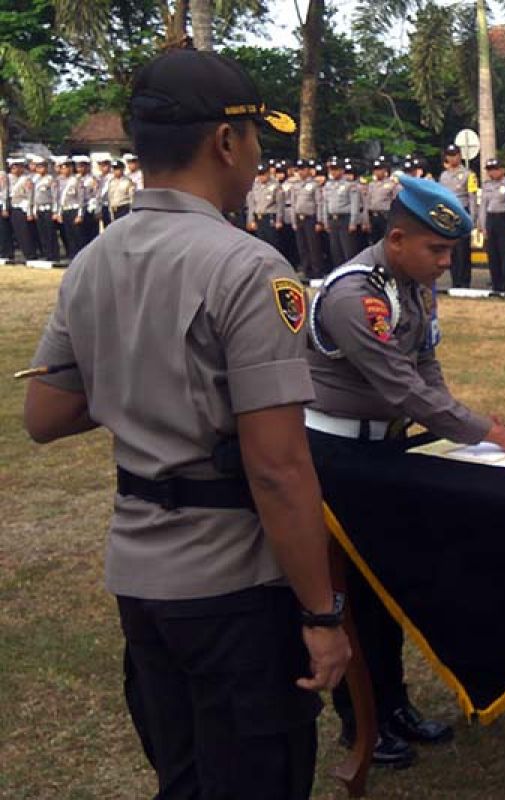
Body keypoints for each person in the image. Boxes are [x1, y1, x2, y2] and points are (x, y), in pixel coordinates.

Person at [23, 49, 350, 798]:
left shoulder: (94, 259)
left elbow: (46, 413)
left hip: (139, 571)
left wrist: (138, 383)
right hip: (231, 579)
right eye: (257, 139)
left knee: (185, 777)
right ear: (227, 142)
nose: (259, 157)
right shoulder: (249, 268)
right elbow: (277, 468)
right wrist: (322, 614)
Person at [306, 175, 505, 767]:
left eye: (450, 251)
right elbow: (402, 389)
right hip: (336, 459)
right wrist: (491, 432)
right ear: (396, 239)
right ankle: (361, 722)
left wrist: (469, 430)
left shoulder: (413, 287)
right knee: (352, 594)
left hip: (384, 455)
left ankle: (395, 706)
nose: (447, 262)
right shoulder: (355, 296)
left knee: (386, 588)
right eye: (437, 251)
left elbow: (429, 370)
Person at [478, 158, 505, 292]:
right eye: (489, 170)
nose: (492, 173)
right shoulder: (486, 185)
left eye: (495, 169)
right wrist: (483, 226)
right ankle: (496, 285)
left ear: (502, 170)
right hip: (491, 220)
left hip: (504, 219)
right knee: (492, 254)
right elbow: (483, 207)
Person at [439, 144, 474, 288]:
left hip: (462, 213)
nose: (452, 158)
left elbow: (472, 197)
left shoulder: (468, 174)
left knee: (463, 250)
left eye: (455, 155)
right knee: (451, 250)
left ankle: (465, 281)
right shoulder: (444, 176)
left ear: (460, 156)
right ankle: (455, 281)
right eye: (450, 155)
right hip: (448, 215)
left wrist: (473, 218)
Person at [247, 163, 285, 252]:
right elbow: (252, 204)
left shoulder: (275, 185)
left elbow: (280, 204)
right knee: (261, 242)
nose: (261, 177)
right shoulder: (255, 185)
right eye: (259, 174)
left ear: (268, 173)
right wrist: (251, 220)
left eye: (263, 174)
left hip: (270, 216)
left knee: (272, 243)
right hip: (258, 216)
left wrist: (279, 220)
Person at [31, 155, 59, 261]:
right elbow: (34, 196)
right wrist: (34, 209)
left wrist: (55, 211)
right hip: (39, 209)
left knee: (50, 232)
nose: (40, 169)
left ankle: (54, 254)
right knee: (42, 233)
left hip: (48, 208)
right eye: (38, 167)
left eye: (42, 167)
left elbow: (55, 196)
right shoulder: (35, 180)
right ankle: (47, 253)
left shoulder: (50, 179)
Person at [366, 157, 398, 245]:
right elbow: (367, 203)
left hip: (385, 216)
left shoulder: (392, 183)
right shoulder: (371, 184)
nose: (376, 172)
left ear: (385, 170)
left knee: (387, 241)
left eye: (379, 169)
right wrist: (366, 220)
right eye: (375, 170)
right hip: (373, 216)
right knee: (375, 242)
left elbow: (396, 201)